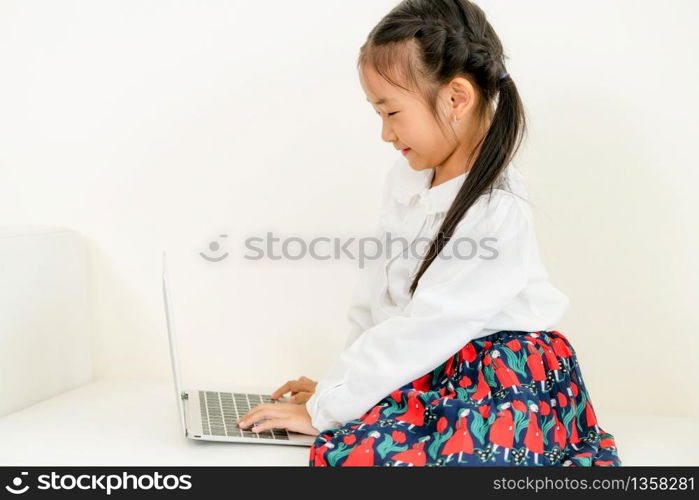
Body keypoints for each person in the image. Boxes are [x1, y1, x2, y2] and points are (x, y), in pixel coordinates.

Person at [236, 0, 622, 467]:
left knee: (377, 459)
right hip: (434, 364)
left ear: (457, 98)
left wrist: (327, 410)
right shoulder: (407, 181)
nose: (384, 133)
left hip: (504, 375)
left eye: (391, 112)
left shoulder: (497, 205)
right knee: (355, 440)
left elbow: (430, 326)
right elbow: (377, 302)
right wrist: (338, 389)